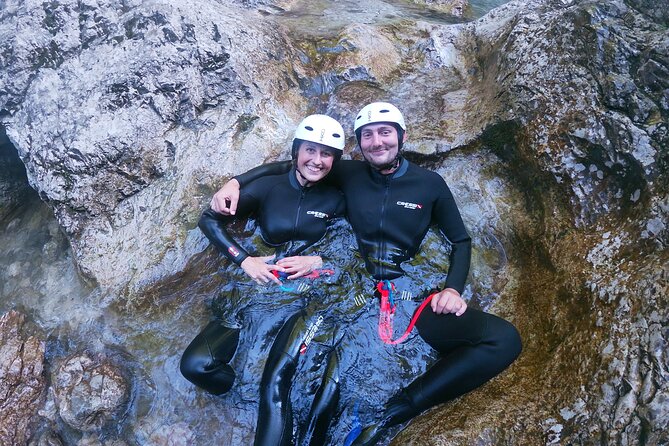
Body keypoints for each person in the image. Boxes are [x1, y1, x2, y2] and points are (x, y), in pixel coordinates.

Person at [212, 102, 523, 445]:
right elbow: (293, 165)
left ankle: (394, 412)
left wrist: (452, 289)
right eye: (367, 136)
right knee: (315, 390)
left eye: (385, 132)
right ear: (358, 144)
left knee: (503, 339)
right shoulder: (349, 173)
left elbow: (460, 241)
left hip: (403, 292)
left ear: (402, 137)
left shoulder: (430, 184)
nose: (377, 142)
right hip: (347, 286)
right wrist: (235, 183)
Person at [180, 114, 351, 445]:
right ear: (296, 151)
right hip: (258, 289)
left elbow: (357, 246)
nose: (317, 160)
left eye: (326, 154)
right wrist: (244, 260)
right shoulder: (270, 186)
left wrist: (320, 259)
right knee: (196, 366)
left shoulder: (340, 197)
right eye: (310, 151)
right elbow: (209, 220)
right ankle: (238, 395)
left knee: (274, 388)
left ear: (335, 159)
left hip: (307, 296)